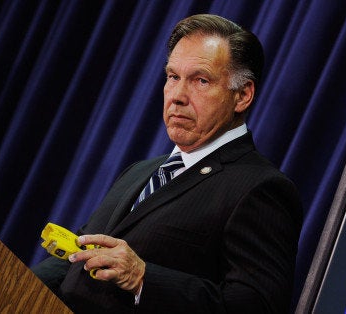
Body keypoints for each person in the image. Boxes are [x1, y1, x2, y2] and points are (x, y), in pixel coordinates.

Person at [32, 14, 303, 313]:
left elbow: (256, 306)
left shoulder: (260, 188)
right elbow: (77, 261)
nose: (178, 96)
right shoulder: (140, 171)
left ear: (242, 95)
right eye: (173, 77)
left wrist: (143, 278)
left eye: (200, 80)